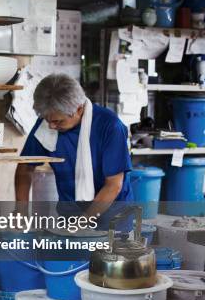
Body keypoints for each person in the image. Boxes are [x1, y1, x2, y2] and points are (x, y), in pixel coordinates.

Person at [15, 73, 133, 227]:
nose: (51, 126)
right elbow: (25, 167)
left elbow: (113, 185)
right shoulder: (47, 123)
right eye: (47, 120)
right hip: (70, 214)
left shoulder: (109, 127)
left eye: (58, 121)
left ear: (79, 109)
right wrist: (21, 211)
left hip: (112, 217)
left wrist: (82, 223)